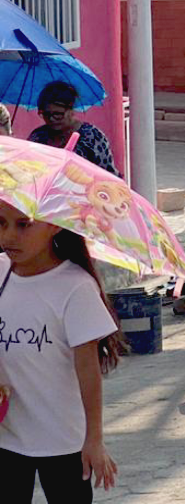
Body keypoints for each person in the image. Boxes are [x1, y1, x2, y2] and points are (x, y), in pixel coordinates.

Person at [0, 205, 124, 503]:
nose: (9, 236)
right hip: (7, 435)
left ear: (55, 225)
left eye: (23, 224)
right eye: (1, 223)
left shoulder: (75, 286)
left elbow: (88, 369)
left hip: (64, 441)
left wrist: (94, 440)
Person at [28, 82, 117, 176]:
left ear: (71, 110)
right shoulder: (38, 136)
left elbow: (108, 175)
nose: (51, 119)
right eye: (46, 114)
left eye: (57, 114)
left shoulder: (93, 137)